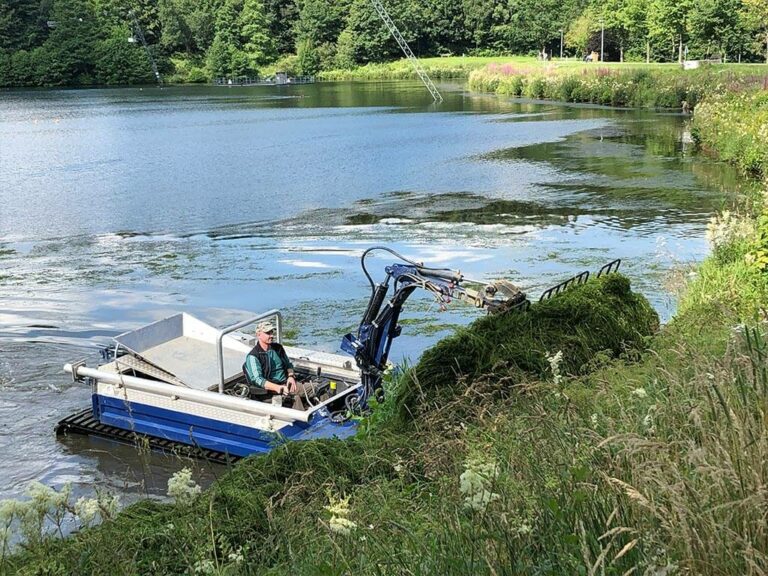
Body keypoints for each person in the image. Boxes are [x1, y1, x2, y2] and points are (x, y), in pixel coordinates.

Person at [243, 321, 299, 398]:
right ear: (258, 335)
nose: (271, 335)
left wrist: (291, 376)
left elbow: (288, 365)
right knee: (315, 390)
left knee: (318, 388)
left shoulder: (278, 348)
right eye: (268, 333)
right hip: (274, 389)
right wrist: (278, 388)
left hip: (288, 383)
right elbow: (257, 380)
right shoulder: (253, 356)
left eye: (272, 333)